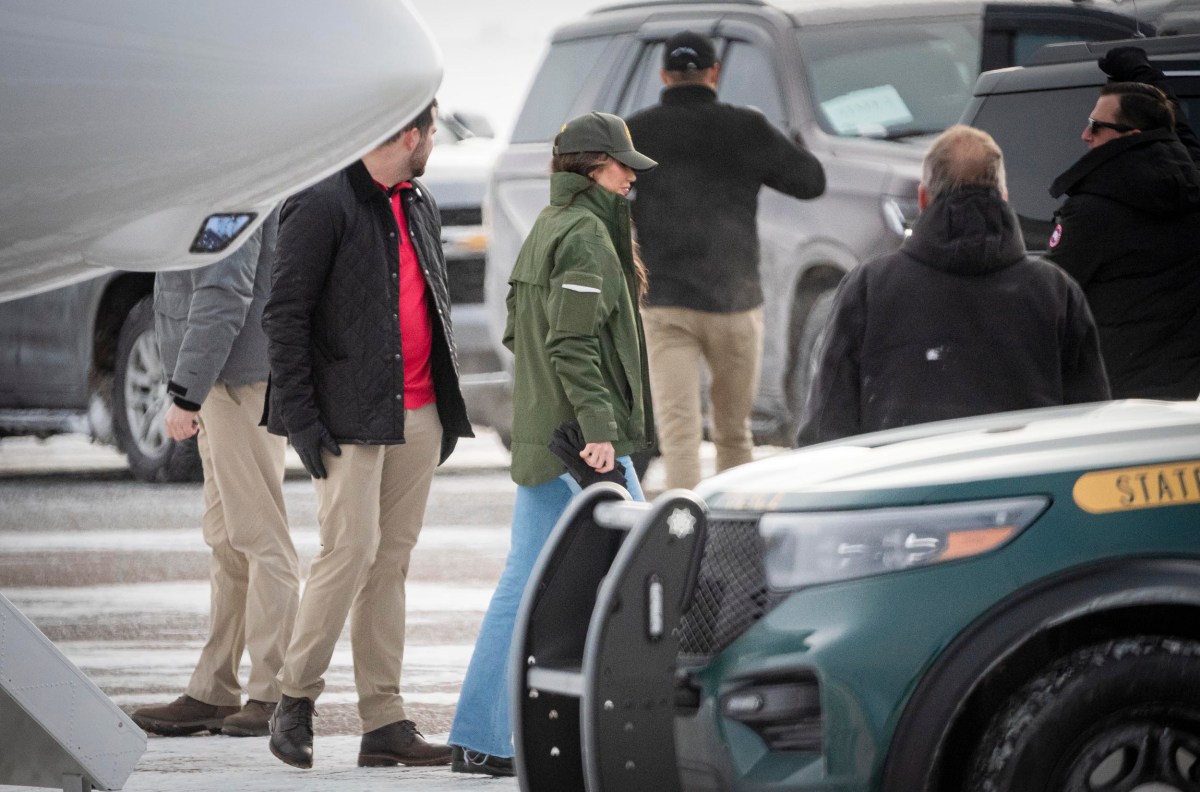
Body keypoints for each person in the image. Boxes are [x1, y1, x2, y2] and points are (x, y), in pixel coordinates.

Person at [262, 99, 474, 770]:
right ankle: (293, 699)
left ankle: (384, 722)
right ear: (410, 135)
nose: (434, 143)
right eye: (433, 133)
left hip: (417, 413)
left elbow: (431, 302)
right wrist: (303, 423)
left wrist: (443, 407)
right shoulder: (321, 202)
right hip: (347, 418)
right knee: (347, 553)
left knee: (391, 565)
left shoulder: (419, 203)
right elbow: (284, 319)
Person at [447, 111, 656, 776]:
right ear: (593, 168)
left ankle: (482, 734)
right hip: (582, 443)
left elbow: (519, 333)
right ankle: (643, 734)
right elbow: (570, 342)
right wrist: (597, 429)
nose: (631, 175)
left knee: (524, 583)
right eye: (622, 165)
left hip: (549, 433)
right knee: (647, 573)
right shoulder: (588, 237)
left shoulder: (549, 228)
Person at [796, 126, 1110, 445]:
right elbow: (1090, 424)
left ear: (922, 198)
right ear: (1003, 197)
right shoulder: (1056, 291)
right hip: (1027, 488)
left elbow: (826, 425)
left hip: (901, 486)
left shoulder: (869, 288)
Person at [625, 30, 826, 489]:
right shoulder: (746, 128)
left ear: (664, 75)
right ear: (714, 72)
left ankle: (681, 534)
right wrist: (791, 143)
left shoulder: (637, 131)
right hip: (735, 306)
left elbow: (604, 193)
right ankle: (731, 530)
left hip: (666, 305)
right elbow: (811, 182)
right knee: (734, 435)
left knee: (679, 436)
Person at [131, 211, 299, 739]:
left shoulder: (232, 191)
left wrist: (186, 391)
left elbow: (225, 293)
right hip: (223, 379)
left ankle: (275, 692)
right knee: (228, 539)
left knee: (260, 538)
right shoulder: (214, 183)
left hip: (235, 381)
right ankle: (214, 689)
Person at [1045, 46, 1200, 400]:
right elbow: (1173, 128)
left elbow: (1047, 299)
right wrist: (1141, 75)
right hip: (1184, 398)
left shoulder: (1091, 214)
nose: (1085, 135)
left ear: (1131, 138)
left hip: (1115, 399)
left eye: (1096, 127)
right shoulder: (1191, 185)